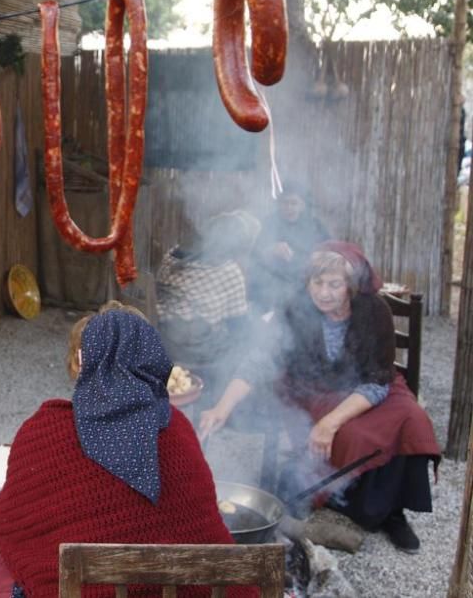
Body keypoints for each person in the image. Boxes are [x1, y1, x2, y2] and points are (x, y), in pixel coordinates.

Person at [0, 301, 255, 597]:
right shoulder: (178, 428)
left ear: (82, 360)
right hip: (198, 589)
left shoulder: (45, 431)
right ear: (153, 361)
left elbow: (12, 533)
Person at [199, 242, 440, 554]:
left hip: (371, 386)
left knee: (413, 419)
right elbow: (260, 361)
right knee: (354, 433)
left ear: (350, 285)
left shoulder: (373, 310)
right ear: (307, 282)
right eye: (318, 283)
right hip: (316, 389)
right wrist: (222, 406)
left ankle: (394, 514)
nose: (324, 293)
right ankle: (360, 509)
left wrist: (329, 422)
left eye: (334, 284)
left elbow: (378, 380)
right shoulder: (295, 308)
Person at [155, 210, 261, 385]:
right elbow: (238, 324)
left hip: (166, 342)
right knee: (245, 343)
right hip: (201, 352)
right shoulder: (228, 270)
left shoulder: (172, 256)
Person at [248, 181, 331, 313]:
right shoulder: (269, 223)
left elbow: (329, 254)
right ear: (279, 204)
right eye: (285, 203)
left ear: (302, 205)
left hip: (306, 283)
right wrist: (270, 250)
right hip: (275, 284)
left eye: (294, 203)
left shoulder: (315, 226)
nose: (289, 207)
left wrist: (312, 259)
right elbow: (254, 256)